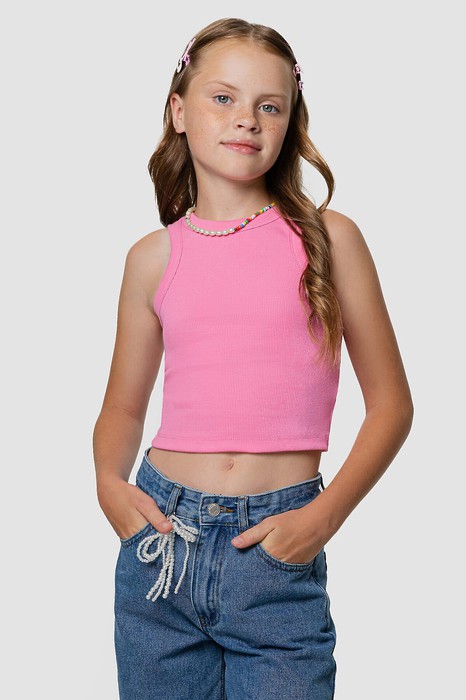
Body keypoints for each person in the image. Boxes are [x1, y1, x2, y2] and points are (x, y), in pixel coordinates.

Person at [93, 17, 414, 700]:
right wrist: (109, 485)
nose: (247, 119)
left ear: (290, 120)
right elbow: (122, 407)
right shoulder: (152, 257)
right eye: (223, 98)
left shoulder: (329, 239)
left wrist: (322, 519)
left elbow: (392, 405)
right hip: (162, 546)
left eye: (270, 105)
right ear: (179, 111)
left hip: (275, 551)